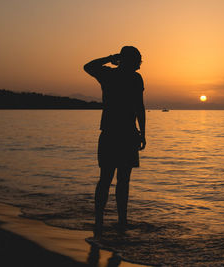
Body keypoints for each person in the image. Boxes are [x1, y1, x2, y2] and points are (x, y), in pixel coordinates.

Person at [84, 46, 146, 240]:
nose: (140, 63)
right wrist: (143, 133)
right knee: (118, 180)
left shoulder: (110, 75)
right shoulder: (123, 77)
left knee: (110, 179)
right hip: (121, 134)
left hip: (118, 134)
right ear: (130, 60)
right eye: (138, 59)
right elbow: (140, 107)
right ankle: (118, 220)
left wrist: (142, 132)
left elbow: (139, 107)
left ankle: (106, 220)